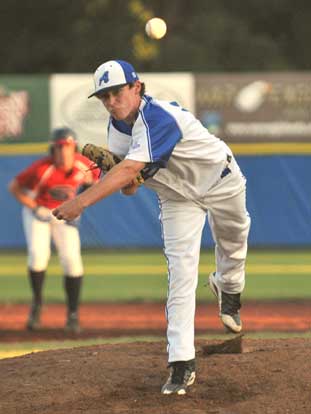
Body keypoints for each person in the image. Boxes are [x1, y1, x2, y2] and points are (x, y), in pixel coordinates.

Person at [52, 60, 251, 394]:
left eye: (116, 92)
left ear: (137, 88)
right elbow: (130, 185)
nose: (111, 102)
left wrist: (81, 201)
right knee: (181, 274)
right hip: (176, 200)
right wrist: (119, 174)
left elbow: (129, 170)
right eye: (103, 97)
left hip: (220, 182)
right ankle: (181, 363)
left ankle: (228, 287)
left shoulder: (157, 116)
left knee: (233, 239)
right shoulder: (116, 129)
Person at [8, 127, 99, 333]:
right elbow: (14, 187)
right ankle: (37, 306)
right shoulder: (42, 168)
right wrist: (35, 208)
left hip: (64, 213)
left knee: (72, 261)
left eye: (67, 147)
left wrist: (79, 203)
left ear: (74, 148)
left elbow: (95, 183)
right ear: (52, 150)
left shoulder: (83, 166)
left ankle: (73, 315)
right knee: (38, 256)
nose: (63, 152)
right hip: (38, 213)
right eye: (59, 148)